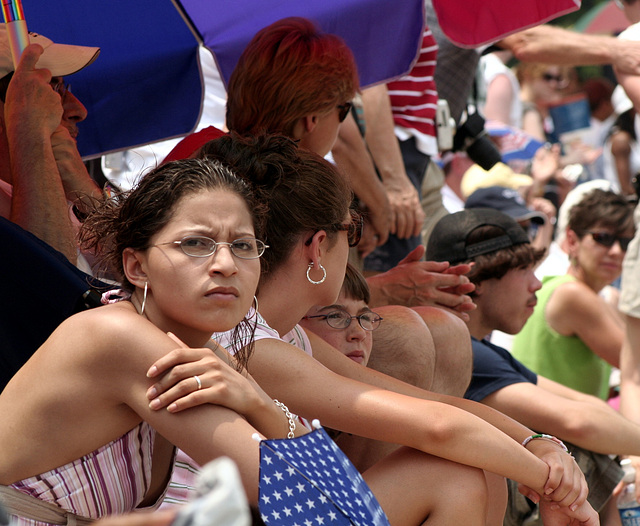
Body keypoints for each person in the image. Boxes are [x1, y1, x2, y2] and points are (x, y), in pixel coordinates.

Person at [148, 132, 598, 525]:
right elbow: (436, 427)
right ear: (318, 246)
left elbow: (429, 405)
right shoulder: (250, 343)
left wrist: (535, 442)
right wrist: (554, 483)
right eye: (353, 228)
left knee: (474, 465)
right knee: (453, 473)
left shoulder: (278, 333)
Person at [0, 158, 312, 525]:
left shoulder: (202, 356)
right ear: (137, 268)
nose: (227, 264)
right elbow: (319, 504)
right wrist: (260, 403)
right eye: (197, 243)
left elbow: (335, 501)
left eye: (243, 245)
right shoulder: (121, 339)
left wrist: (260, 403)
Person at [424, 207, 640, 524]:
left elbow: (585, 404)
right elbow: (577, 422)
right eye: (524, 268)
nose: (536, 283)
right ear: (476, 278)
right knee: (581, 457)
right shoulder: (457, 348)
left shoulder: (480, 346)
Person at [511, 188, 635, 399]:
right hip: (544, 429)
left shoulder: (580, 292)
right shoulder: (571, 294)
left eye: (626, 243)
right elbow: (636, 365)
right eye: (602, 238)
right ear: (572, 240)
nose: (616, 251)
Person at [0, 27, 102, 267]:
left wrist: (88, 195)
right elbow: (46, 293)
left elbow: (145, 268)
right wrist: (31, 138)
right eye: (50, 88)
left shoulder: (57, 191)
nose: (79, 110)